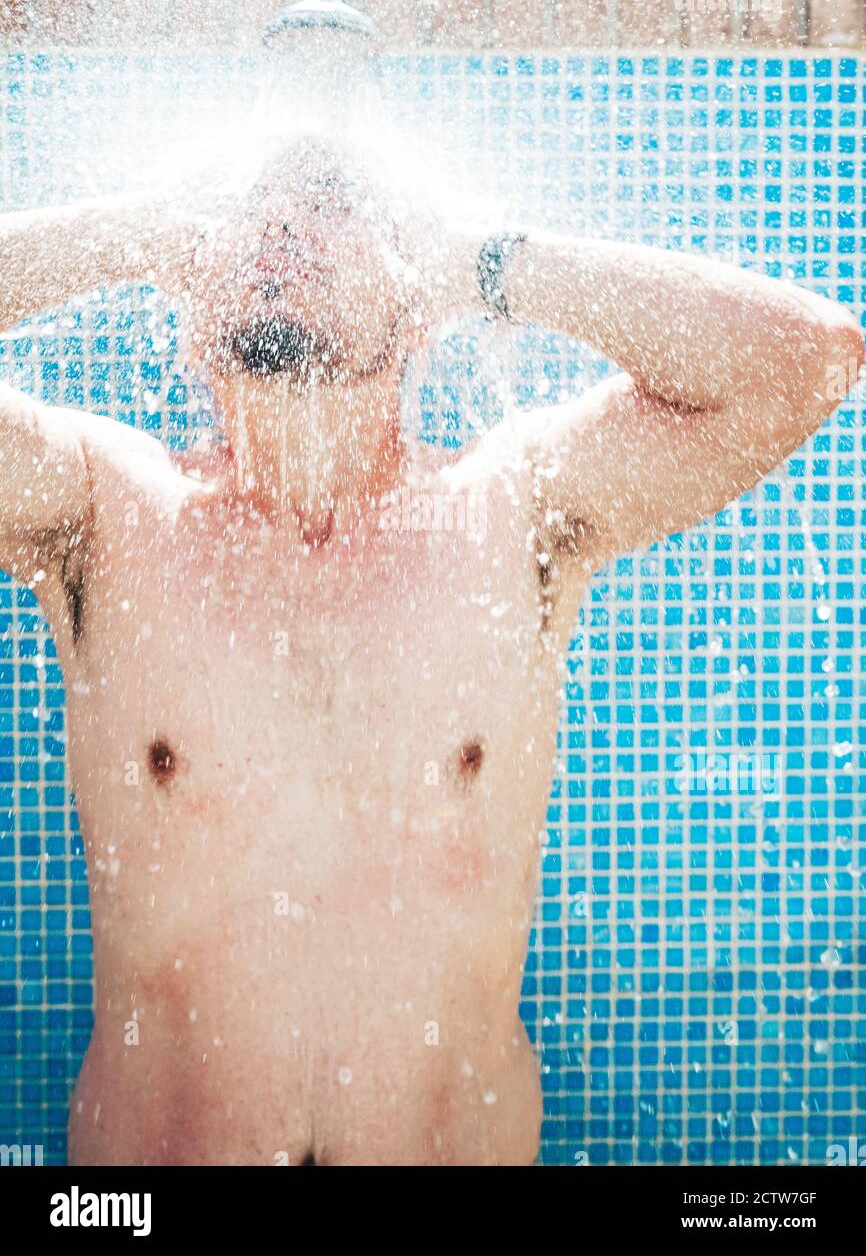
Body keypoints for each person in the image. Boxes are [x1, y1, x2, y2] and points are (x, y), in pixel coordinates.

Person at [0, 134, 860, 1166]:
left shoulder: (515, 506)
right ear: (188, 325)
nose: (277, 226)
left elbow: (805, 358)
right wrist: (128, 234)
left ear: (417, 312)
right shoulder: (104, 507)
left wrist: (487, 264)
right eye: (246, 212)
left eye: (329, 205)